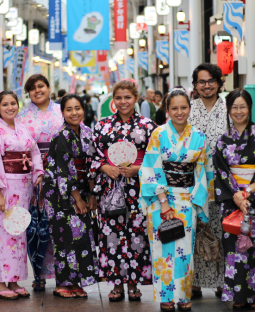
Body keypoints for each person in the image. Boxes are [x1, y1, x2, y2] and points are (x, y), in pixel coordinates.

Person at [139, 87, 209, 312]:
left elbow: (202, 172)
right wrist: (163, 201)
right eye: (174, 108)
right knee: (162, 247)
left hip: (187, 199)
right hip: (161, 200)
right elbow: (151, 166)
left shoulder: (198, 136)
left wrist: (197, 202)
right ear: (167, 109)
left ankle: (183, 295)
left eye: (184, 107)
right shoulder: (158, 134)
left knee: (185, 249)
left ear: (190, 108)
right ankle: (165, 297)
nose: (180, 112)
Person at [89, 80, 156, 301]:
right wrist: (105, 167)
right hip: (110, 188)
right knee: (111, 236)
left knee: (137, 235)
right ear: (113, 100)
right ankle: (116, 284)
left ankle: (134, 284)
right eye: (119, 97)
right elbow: (92, 155)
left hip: (138, 187)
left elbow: (156, 157)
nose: (123, 101)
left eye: (128, 97)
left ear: (136, 98)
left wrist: (139, 169)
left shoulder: (148, 126)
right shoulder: (102, 125)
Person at [215, 89, 255, 309]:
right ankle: (239, 296)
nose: (238, 111)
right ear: (228, 110)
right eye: (234, 107)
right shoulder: (223, 141)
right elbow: (221, 172)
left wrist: (247, 193)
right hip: (233, 203)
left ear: (250, 108)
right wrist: (236, 195)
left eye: (243, 106)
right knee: (234, 250)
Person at [0, 91, 44, 299]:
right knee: (1, 234)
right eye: (5, 104)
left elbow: (34, 153)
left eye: (13, 103)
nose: (10, 107)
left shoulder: (22, 129)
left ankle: (13, 281)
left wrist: (38, 174)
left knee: (18, 233)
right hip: (4, 188)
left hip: (23, 189)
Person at [42, 94, 99, 298]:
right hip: (61, 194)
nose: (74, 113)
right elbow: (63, 170)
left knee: (82, 237)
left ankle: (77, 282)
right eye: (69, 109)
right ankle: (63, 284)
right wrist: (78, 198)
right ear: (62, 112)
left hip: (82, 189)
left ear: (84, 110)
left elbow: (92, 165)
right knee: (65, 238)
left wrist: (92, 194)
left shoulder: (87, 133)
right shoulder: (61, 136)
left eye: (77, 108)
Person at [16, 74, 64, 290]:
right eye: (32, 88)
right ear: (28, 93)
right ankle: (39, 274)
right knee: (36, 224)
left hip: (62, 172)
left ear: (48, 87)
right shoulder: (22, 116)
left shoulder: (62, 111)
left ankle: (64, 272)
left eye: (41, 86)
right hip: (33, 175)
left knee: (59, 225)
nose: (37, 91)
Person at [187, 63, 227, 298]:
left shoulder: (229, 108)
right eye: (201, 81)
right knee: (196, 229)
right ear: (195, 85)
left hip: (223, 180)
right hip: (193, 181)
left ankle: (222, 281)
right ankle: (195, 282)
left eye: (211, 80)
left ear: (219, 83)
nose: (207, 85)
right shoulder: (188, 109)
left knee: (221, 229)